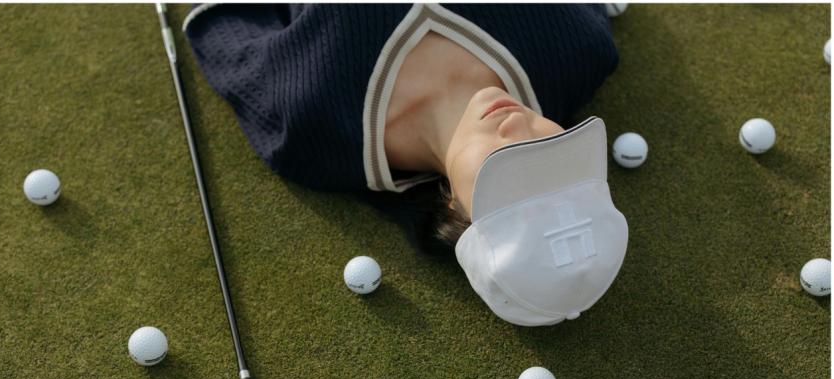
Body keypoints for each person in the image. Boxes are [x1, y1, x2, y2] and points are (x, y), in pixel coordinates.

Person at [183, 3, 629, 326]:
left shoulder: (309, 128)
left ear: (456, 212)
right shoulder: (575, 46)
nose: (519, 131)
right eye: (554, 152)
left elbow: (222, 22)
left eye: (509, 168)